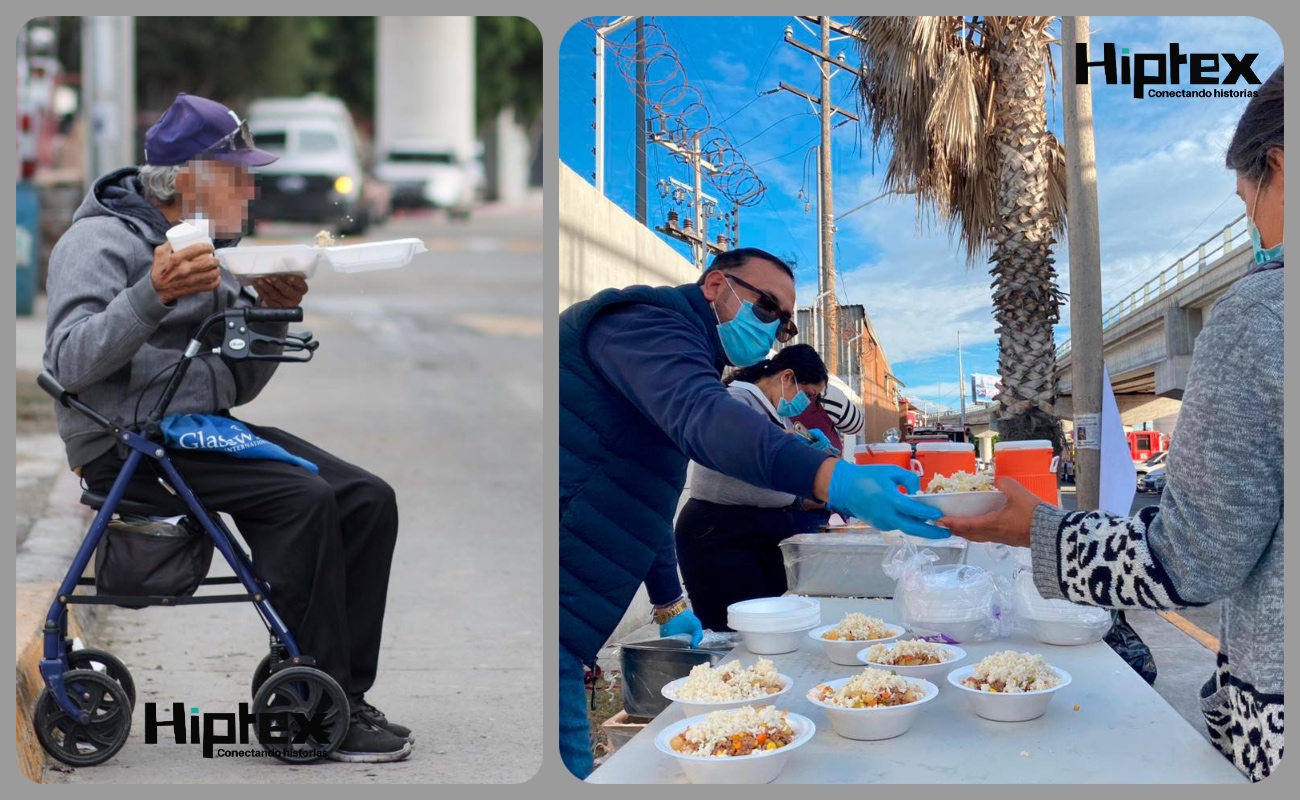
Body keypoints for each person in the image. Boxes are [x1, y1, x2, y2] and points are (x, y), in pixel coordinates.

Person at [43, 93, 412, 763]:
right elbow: (67, 362)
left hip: (195, 428)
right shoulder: (96, 241)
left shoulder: (212, 252)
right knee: (303, 500)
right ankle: (316, 704)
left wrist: (272, 315)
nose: (252, 187)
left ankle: (338, 690)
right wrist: (150, 295)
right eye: (238, 173)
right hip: (126, 441)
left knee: (367, 497)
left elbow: (235, 380)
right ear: (189, 181)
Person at [941, 64, 1283, 782]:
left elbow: (1195, 558)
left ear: (1278, 165)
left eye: (1247, 198)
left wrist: (1037, 530)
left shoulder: (1262, 312)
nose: (1250, 220)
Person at [559, 247, 944, 778]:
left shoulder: (685, 358)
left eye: (783, 322)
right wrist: (834, 479)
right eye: (766, 307)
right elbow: (705, 420)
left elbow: (641, 495)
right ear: (716, 285)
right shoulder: (640, 326)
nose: (771, 328)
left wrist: (669, 600)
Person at [674, 344, 836, 631]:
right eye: (808, 395)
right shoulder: (735, 400)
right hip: (720, 533)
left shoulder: (775, 414)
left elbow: (772, 487)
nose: (808, 405)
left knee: (766, 629)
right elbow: (747, 464)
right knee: (734, 631)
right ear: (787, 377)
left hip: (753, 531)